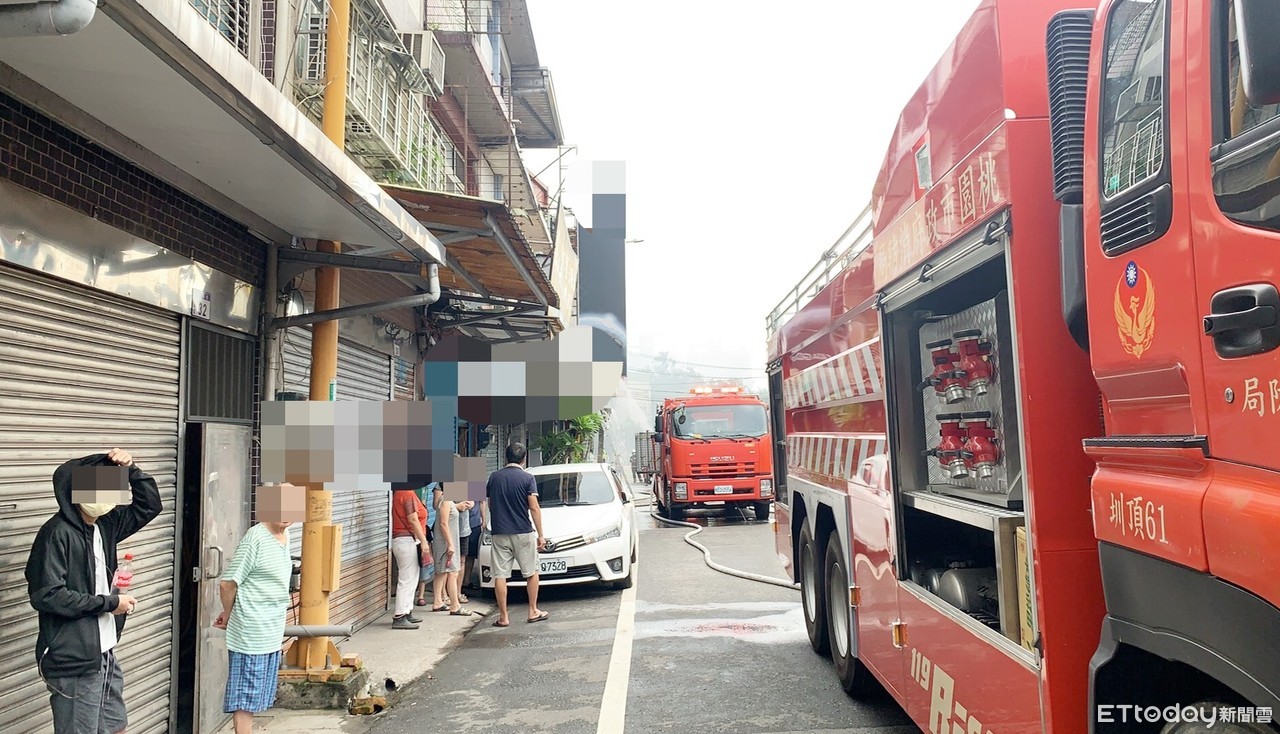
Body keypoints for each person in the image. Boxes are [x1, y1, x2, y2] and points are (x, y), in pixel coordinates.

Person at [26, 448, 161, 734]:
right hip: (73, 656)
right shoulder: (56, 533)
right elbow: (47, 595)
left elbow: (149, 505)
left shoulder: (105, 525)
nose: (106, 496)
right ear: (75, 490)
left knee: (116, 726)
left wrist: (131, 469)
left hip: (104, 650)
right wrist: (109, 603)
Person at [214, 490, 297, 734]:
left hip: (271, 629)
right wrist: (229, 613)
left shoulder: (285, 535)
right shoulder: (256, 538)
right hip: (251, 630)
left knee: (259, 694)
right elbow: (227, 583)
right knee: (245, 697)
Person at [483, 442, 548, 627]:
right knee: (531, 572)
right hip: (523, 532)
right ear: (524, 459)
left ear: (506, 457)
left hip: (499, 533)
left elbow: (490, 504)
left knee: (500, 575)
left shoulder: (494, 477)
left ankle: (503, 617)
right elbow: (534, 507)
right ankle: (533, 610)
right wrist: (541, 535)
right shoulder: (528, 478)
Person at [390, 485, 431, 629]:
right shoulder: (407, 494)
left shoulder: (400, 493)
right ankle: (400, 616)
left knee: (412, 578)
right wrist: (424, 541)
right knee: (407, 579)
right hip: (407, 540)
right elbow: (413, 519)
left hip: (404, 540)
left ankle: (407, 611)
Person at [430, 487, 469, 615]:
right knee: (453, 572)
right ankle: (455, 606)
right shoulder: (445, 501)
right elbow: (443, 523)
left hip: (446, 542)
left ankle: (437, 602)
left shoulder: (448, 500)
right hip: (446, 543)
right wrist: (450, 544)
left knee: (441, 573)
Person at [414, 483, 438, 607]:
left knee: (423, 576)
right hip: (413, 550)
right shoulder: (412, 529)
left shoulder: (426, 529)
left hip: (423, 554)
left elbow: (430, 542)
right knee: (414, 575)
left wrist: (431, 556)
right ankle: (415, 595)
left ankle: (421, 596)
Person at [461, 499, 483, 591]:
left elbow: (482, 502)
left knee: (471, 555)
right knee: (461, 556)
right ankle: (457, 584)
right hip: (460, 524)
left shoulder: (477, 488)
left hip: (475, 523)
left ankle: (466, 581)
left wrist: (483, 521)